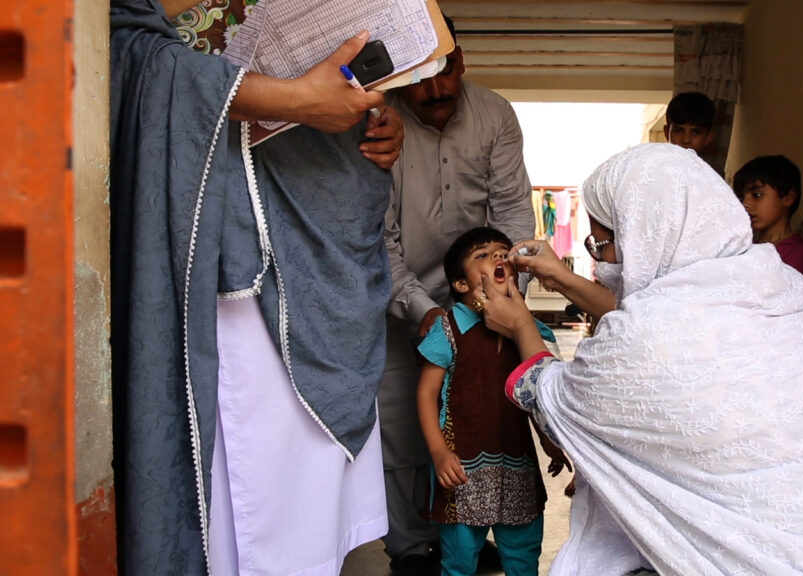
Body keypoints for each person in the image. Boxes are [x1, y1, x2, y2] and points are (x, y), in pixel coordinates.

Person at [477, 143, 803, 575]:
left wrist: (520, 324)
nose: (602, 259)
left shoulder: (649, 333)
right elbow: (658, 317)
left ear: (645, 233)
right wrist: (560, 277)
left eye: (603, 242)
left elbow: (556, 400)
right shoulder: (790, 290)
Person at [110, 1, 404, 574]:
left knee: (311, 503)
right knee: (243, 497)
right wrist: (295, 99)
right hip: (223, 249)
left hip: (319, 217)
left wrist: (373, 117)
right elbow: (126, 53)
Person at [379, 14, 536, 574]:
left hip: (484, 306)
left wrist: (506, 294)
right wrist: (424, 312)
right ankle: (411, 549)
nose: (435, 89)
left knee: (482, 422)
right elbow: (379, 237)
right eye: (417, 78)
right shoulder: (381, 122)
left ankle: (466, 533)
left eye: (442, 71)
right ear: (398, 78)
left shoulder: (494, 114)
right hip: (403, 305)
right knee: (403, 424)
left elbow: (513, 212)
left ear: (460, 59)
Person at [417, 227, 570, 576]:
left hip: (518, 467)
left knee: (523, 557)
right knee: (458, 561)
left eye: (503, 252)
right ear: (460, 285)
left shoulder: (533, 332)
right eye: (482, 255)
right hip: (462, 470)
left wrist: (551, 443)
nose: (498, 257)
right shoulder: (450, 328)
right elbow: (426, 393)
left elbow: (538, 398)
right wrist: (439, 452)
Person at [733, 154, 803, 293]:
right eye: (741, 197)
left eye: (757, 195)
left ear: (788, 197)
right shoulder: (744, 249)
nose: (745, 204)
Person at [663, 91, 716, 158]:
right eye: (678, 131)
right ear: (666, 132)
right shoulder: (651, 166)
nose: (686, 140)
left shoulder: (710, 169)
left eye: (695, 132)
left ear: (709, 137)